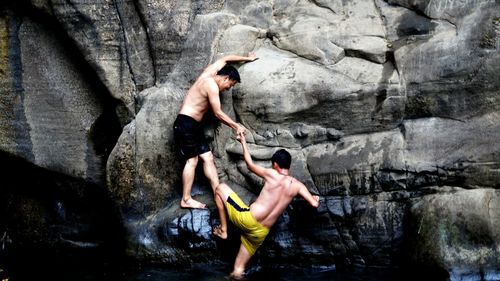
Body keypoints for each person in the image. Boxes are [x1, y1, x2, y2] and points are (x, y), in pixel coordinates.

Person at [214, 131, 320, 279]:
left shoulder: (272, 174)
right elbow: (314, 204)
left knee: (220, 188)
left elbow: (250, 165)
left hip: (247, 218)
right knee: (238, 270)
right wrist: (315, 198)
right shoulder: (298, 186)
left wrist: (243, 142)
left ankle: (223, 230)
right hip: (260, 233)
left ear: (275, 164)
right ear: (288, 166)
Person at [173, 52, 258, 236]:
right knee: (192, 161)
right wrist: (236, 126)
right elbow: (218, 113)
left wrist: (247, 58)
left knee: (208, 157)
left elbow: (226, 58)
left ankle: (218, 192)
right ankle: (186, 199)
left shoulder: (210, 72)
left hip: (194, 126)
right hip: (185, 123)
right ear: (226, 78)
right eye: (230, 85)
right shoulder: (211, 84)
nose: (228, 89)